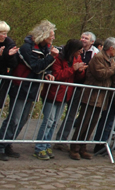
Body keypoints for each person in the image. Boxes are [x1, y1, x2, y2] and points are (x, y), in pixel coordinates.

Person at [0, 20, 58, 161]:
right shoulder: (27, 48)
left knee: (23, 120)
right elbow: (35, 66)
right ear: (44, 35)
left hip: (33, 89)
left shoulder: (45, 49)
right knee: (14, 118)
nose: (53, 38)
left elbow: (43, 68)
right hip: (20, 87)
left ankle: (8, 144)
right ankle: (1, 144)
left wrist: (48, 72)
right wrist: (51, 57)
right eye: (51, 35)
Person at [69, 37, 115, 160]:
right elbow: (101, 74)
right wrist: (114, 68)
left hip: (102, 97)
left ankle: (83, 148)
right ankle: (74, 148)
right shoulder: (98, 58)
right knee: (84, 122)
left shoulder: (110, 60)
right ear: (111, 48)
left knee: (92, 124)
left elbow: (113, 78)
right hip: (92, 95)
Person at [33, 39, 86, 160]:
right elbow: (57, 75)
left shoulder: (76, 58)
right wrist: (73, 69)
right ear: (74, 50)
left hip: (65, 94)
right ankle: (40, 147)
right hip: (53, 93)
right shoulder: (58, 57)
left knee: (55, 122)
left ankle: (46, 144)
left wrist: (80, 71)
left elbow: (76, 76)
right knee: (48, 121)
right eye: (79, 50)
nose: (81, 52)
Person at [54, 31, 98, 150]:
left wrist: (82, 70)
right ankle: (52, 140)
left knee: (71, 114)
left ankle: (62, 139)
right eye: (82, 37)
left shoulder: (95, 53)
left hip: (81, 87)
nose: (83, 40)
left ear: (92, 42)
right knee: (57, 113)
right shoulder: (72, 49)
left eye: (86, 38)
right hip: (67, 84)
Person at [0, 21, 19, 108]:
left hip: (2, 77)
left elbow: (13, 64)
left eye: (6, 33)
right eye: (3, 33)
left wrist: (9, 56)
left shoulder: (9, 43)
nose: (5, 36)